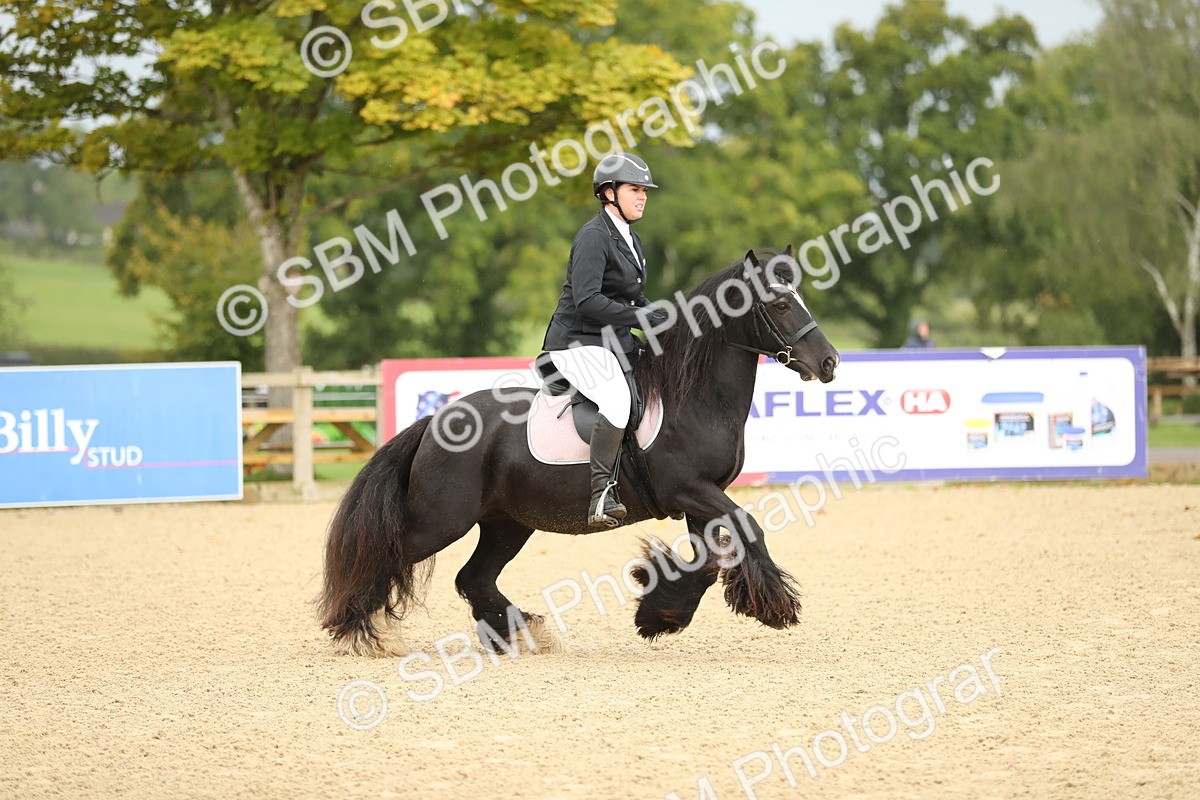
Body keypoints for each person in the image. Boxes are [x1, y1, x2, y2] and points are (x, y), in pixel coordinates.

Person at [540, 152, 670, 529]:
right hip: (576, 342)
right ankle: (600, 494)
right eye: (634, 189)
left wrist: (664, 317)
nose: (643, 196)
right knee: (616, 398)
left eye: (644, 190)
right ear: (608, 192)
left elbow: (631, 297)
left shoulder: (630, 238)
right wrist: (641, 318)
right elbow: (588, 299)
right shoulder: (594, 236)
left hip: (610, 341)